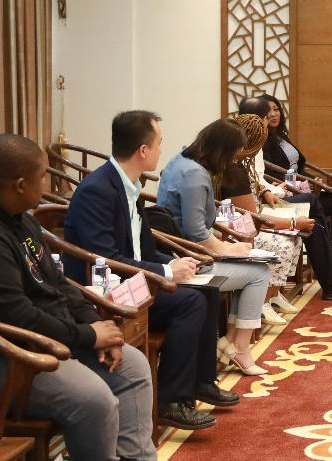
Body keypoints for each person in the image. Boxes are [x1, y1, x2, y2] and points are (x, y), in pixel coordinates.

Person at [0, 134, 157, 461]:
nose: (47, 183)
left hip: (38, 339)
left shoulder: (18, 216)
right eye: (43, 176)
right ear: (20, 184)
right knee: (94, 400)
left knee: (134, 367)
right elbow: (16, 318)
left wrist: (97, 326)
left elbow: (58, 283)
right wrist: (87, 336)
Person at [63, 110, 239, 430]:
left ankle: (200, 381)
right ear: (143, 150)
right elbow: (104, 257)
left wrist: (172, 263)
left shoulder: (128, 185)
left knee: (207, 290)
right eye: (158, 143)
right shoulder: (97, 190)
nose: (161, 150)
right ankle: (169, 400)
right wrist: (166, 273)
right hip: (104, 289)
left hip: (133, 279)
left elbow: (141, 250)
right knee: (190, 302)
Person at [156, 118, 276, 376]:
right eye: (232, 154)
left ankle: (232, 342)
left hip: (179, 249)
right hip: (188, 258)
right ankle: (239, 346)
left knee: (254, 268)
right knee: (259, 273)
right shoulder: (195, 175)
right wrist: (230, 249)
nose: (232, 160)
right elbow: (196, 232)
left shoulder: (181, 159)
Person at [222, 110, 332, 302]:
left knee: (312, 204)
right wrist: (293, 223)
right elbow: (253, 217)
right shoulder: (234, 168)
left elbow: (255, 180)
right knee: (311, 214)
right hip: (248, 220)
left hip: (263, 202)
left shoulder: (243, 160)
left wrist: (265, 191)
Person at [258, 94, 332, 273]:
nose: (273, 114)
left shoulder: (280, 135)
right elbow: (271, 175)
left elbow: (297, 168)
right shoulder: (263, 142)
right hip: (288, 193)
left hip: (300, 186)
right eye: (268, 111)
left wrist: (313, 180)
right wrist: (304, 183)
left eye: (276, 109)